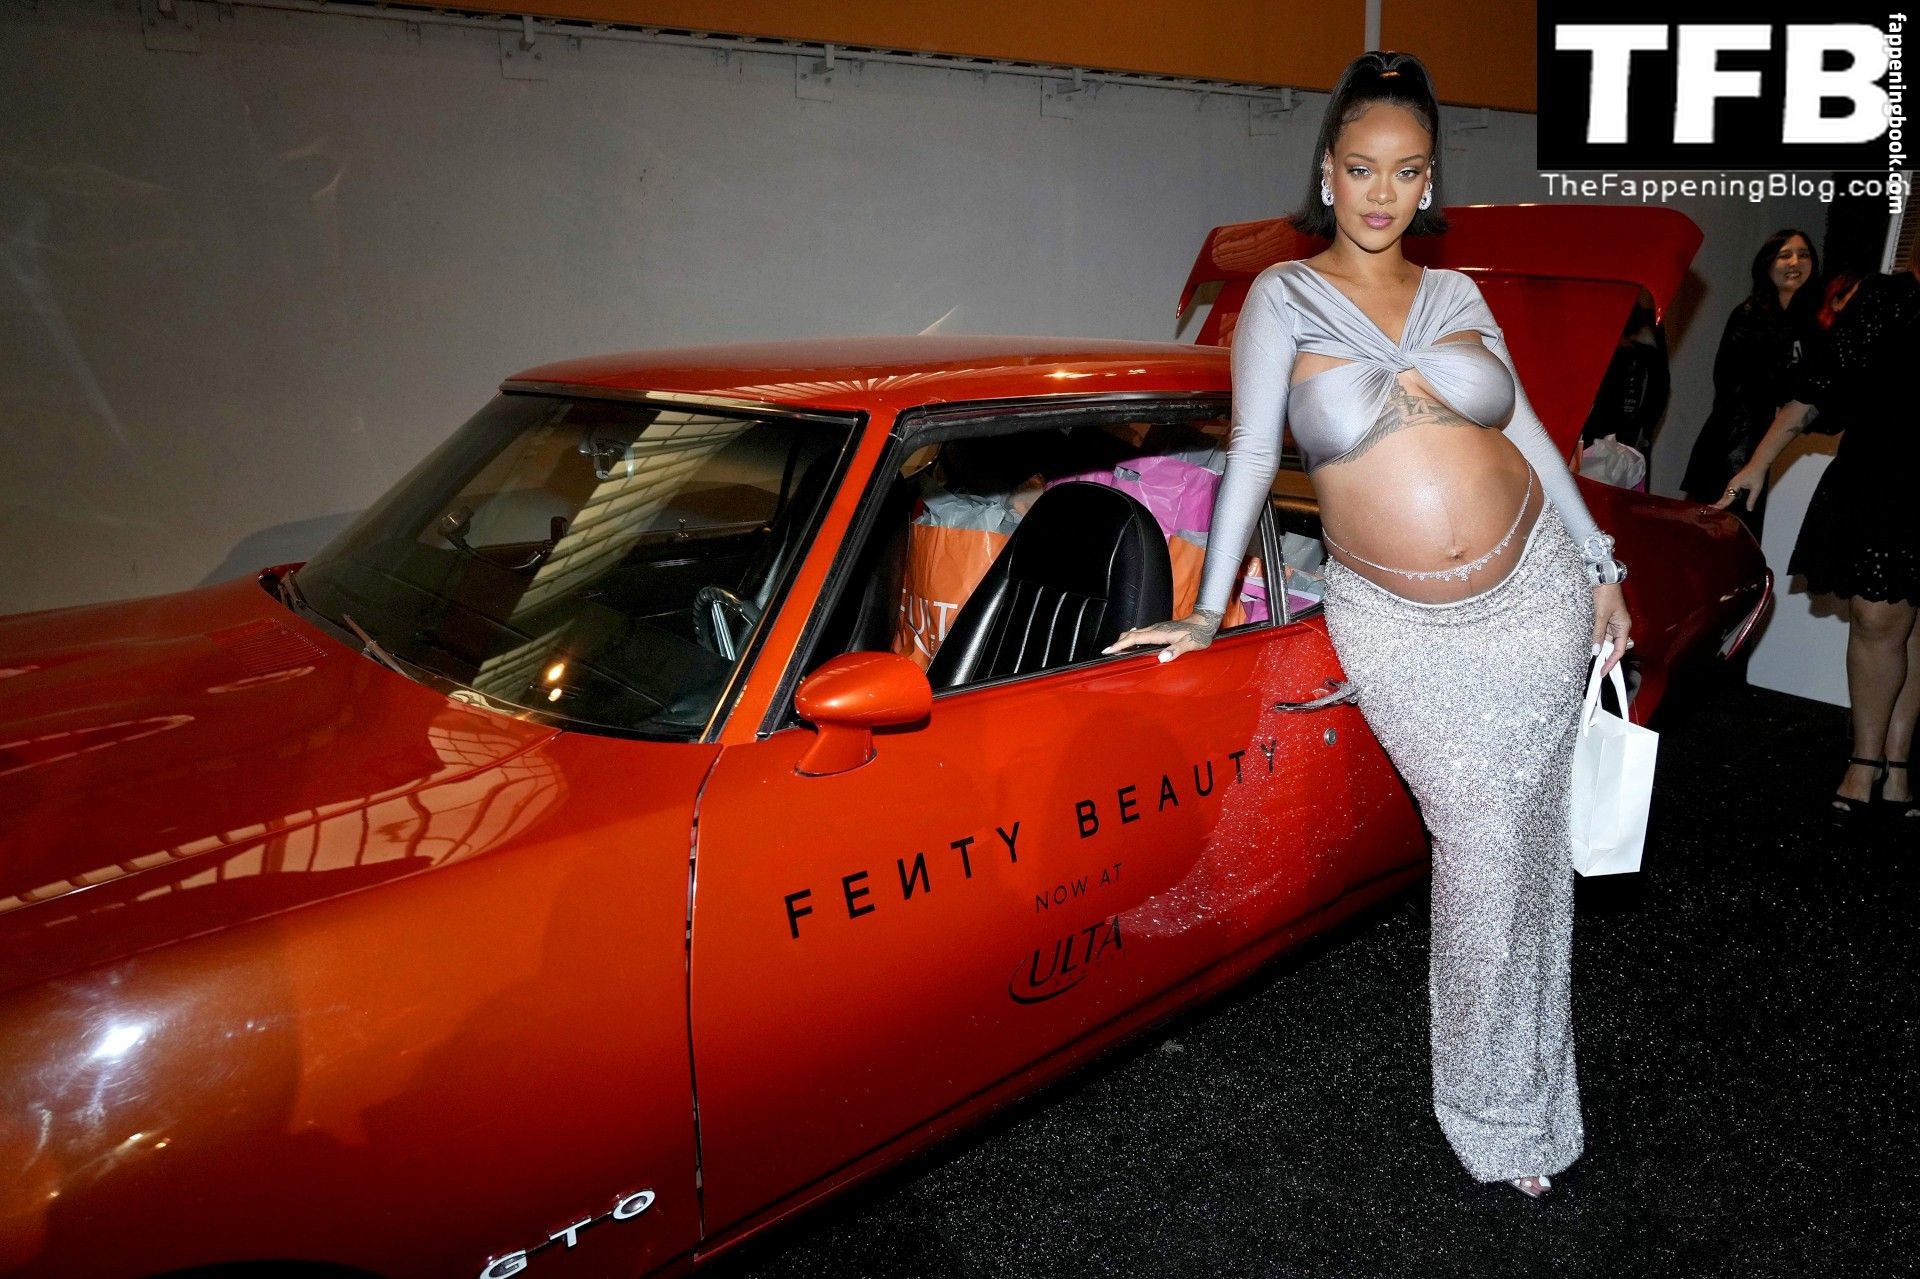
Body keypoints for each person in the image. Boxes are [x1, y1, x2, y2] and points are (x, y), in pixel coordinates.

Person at [1104, 50, 1631, 1199]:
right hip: (1403, 625)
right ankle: (1491, 1108)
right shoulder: (1283, 297)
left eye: (1406, 170)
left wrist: (1599, 562)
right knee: (1483, 847)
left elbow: (1529, 434)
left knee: (1531, 853)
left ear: (1429, 180)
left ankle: (1536, 1090)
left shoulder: (1461, 296)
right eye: (1361, 167)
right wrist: (1205, 611)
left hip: (1536, 596)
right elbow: (1252, 451)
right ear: (1326, 174)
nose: (1382, 191)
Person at [1716, 258, 1920, 823]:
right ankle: (1865, 759)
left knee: (1912, 621)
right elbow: (1819, 387)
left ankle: (1897, 762)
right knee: (1878, 617)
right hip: (1882, 477)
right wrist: (1758, 463)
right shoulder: (1885, 297)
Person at [1680, 229, 1823, 538]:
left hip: (1764, 442)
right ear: (1767, 264)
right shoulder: (1748, 316)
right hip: (1733, 443)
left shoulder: (1811, 323)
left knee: (1743, 539)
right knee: (1720, 535)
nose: (1795, 262)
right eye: (1784, 255)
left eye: (1804, 255)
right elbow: (1731, 387)